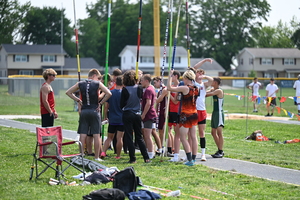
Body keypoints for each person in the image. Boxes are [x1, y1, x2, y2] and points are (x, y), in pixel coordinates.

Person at [66, 69, 112, 161]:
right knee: (96, 134)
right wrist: (101, 103)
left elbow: (68, 92)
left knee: (83, 133)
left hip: (84, 110)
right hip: (94, 110)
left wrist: (78, 100)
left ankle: (81, 154)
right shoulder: (97, 84)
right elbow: (109, 93)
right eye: (98, 77)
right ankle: (96, 157)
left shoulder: (80, 83)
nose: (98, 79)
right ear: (94, 75)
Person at [167, 69, 199, 166]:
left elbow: (169, 88)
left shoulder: (185, 88)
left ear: (186, 78)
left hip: (185, 114)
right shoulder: (196, 88)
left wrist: (169, 76)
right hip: (194, 113)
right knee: (193, 137)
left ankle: (189, 159)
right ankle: (193, 158)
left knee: (183, 137)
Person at [120, 70, 151, 163]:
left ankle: (132, 158)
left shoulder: (125, 90)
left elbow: (121, 104)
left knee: (129, 136)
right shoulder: (139, 88)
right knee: (139, 136)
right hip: (137, 114)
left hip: (127, 114)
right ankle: (146, 157)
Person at [102, 76, 124, 159]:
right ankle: (118, 155)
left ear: (115, 82)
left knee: (109, 137)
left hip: (112, 118)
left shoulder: (111, 92)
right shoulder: (124, 93)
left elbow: (106, 106)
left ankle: (103, 152)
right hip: (121, 118)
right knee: (119, 138)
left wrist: (105, 116)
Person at [194, 68, 213, 161]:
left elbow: (211, 80)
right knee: (191, 133)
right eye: (198, 72)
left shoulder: (204, 84)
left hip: (201, 110)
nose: (200, 74)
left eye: (202, 72)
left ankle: (203, 154)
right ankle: (191, 153)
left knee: (201, 132)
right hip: (193, 109)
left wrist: (204, 76)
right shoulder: (192, 83)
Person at [205, 77, 224, 158]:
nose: (210, 83)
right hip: (214, 113)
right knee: (213, 133)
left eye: (212, 81)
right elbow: (206, 92)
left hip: (219, 113)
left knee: (219, 132)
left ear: (215, 82)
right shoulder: (214, 89)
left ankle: (221, 151)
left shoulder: (219, 91)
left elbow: (207, 94)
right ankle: (219, 149)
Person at [153, 76, 172, 156]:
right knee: (160, 131)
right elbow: (157, 103)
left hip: (165, 112)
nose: (154, 84)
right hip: (160, 113)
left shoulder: (165, 89)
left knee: (167, 131)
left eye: (155, 82)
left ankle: (169, 149)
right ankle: (160, 148)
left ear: (159, 81)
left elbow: (159, 100)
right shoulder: (159, 90)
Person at [140, 74, 157, 159]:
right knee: (146, 134)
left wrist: (143, 114)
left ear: (146, 81)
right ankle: (150, 151)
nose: (141, 82)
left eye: (142, 80)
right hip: (149, 114)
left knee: (147, 135)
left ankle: (150, 153)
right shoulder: (150, 89)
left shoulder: (148, 90)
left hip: (149, 115)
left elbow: (148, 103)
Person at [167, 70, 181, 162]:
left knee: (177, 133)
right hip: (170, 111)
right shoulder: (171, 87)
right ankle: (170, 148)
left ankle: (176, 151)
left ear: (175, 76)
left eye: (171, 76)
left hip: (176, 112)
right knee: (168, 130)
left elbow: (176, 101)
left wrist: (169, 95)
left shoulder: (179, 87)